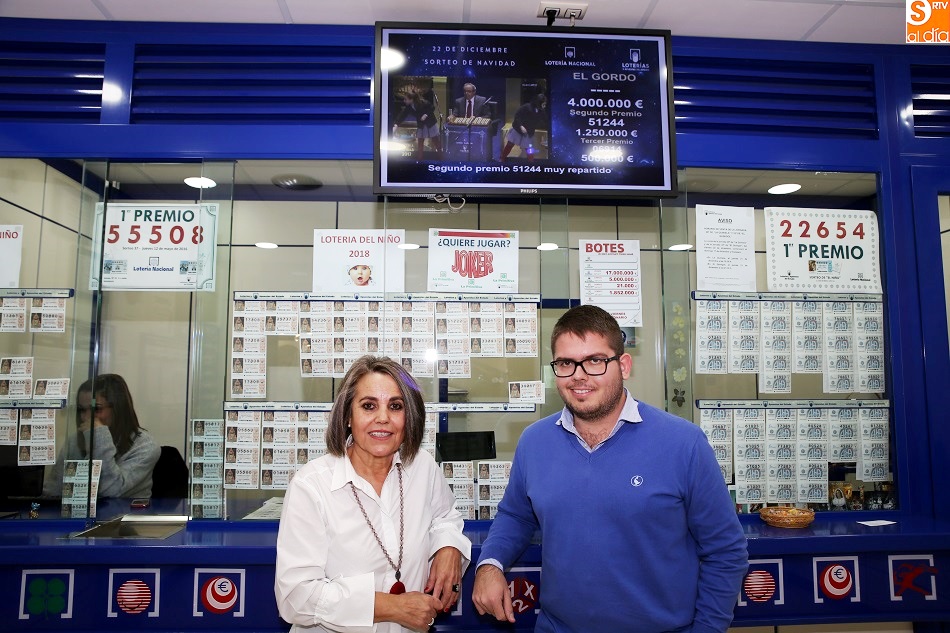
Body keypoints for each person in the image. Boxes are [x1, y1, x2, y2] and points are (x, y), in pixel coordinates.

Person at [472, 305, 748, 632]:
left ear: (624, 365)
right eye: (565, 363)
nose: (579, 375)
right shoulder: (535, 441)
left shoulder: (683, 443)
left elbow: (726, 552)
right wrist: (489, 565)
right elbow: (516, 516)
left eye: (595, 361)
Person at [275, 355, 471, 632]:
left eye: (395, 406)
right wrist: (393, 607)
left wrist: (449, 548)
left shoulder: (423, 468)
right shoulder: (311, 486)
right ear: (347, 417)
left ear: (409, 417)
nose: (383, 418)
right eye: (368, 406)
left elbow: (445, 518)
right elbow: (295, 597)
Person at [43, 374, 161, 499]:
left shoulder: (146, 446)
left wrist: (99, 436)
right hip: (79, 516)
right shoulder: (74, 442)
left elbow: (111, 491)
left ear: (117, 409)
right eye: (81, 410)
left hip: (125, 515)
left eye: (96, 409)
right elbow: (53, 491)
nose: (86, 417)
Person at [392, 89, 442, 160]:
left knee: (435, 141)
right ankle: (420, 158)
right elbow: (402, 115)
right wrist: (396, 124)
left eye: (406, 99)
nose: (404, 101)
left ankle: (441, 157)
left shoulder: (423, 102)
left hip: (430, 123)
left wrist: (426, 114)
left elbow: (432, 107)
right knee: (420, 142)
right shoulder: (409, 107)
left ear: (411, 99)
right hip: (421, 124)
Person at [500, 93, 547, 162]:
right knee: (510, 144)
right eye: (543, 103)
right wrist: (521, 126)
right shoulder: (527, 107)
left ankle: (531, 163)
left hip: (529, 132)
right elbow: (517, 116)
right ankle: (502, 158)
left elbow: (544, 120)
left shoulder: (541, 111)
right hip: (518, 129)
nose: (544, 105)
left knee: (529, 148)